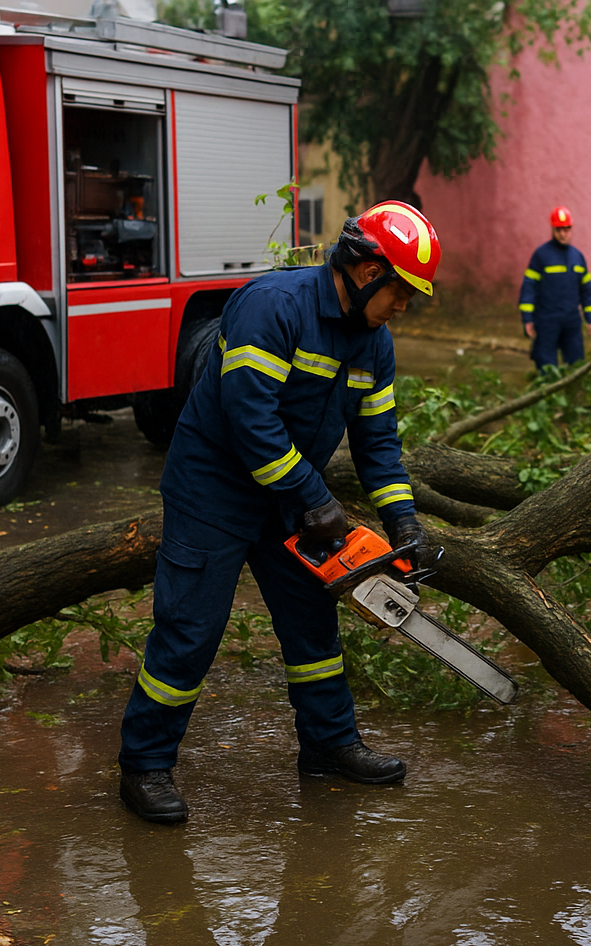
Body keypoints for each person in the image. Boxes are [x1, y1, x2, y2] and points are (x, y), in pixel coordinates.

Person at [117, 201, 441, 825]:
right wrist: (314, 497)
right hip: (214, 487)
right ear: (369, 271)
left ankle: (328, 744)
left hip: (291, 496)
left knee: (312, 625)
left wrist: (405, 523)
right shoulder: (275, 306)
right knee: (190, 631)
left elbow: (378, 444)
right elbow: (249, 418)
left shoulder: (375, 346)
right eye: (403, 291)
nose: (405, 306)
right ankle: (145, 765)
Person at [518, 205, 591, 370]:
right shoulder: (541, 256)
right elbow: (529, 288)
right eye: (559, 230)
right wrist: (527, 318)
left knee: (576, 365)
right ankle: (547, 394)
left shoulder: (578, 257)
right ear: (553, 229)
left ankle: (574, 394)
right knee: (546, 367)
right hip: (547, 320)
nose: (563, 234)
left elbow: (586, 291)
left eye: (566, 229)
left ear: (571, 229)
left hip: (572, 321)